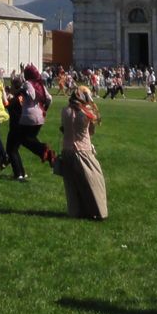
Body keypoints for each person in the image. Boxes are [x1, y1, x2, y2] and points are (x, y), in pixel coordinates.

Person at [58, 84, 108, 219]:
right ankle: (98, 212)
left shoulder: (65, 110)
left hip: (66, 150)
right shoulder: (86, 113)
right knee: (94, 183)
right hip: (83, 151)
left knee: (72, 184)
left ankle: (76, 211)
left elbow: (63, 129)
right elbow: (91, 132)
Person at [7, 65, 54, 181]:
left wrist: (20, 91)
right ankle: (44, 153)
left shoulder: (28, 84)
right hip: (40, 116)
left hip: (29, 116)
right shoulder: (40, 84)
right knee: (28, 139)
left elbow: (31, 94)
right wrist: (44, 108)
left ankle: (44, 150)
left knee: (23, 141)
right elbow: (49, 98)